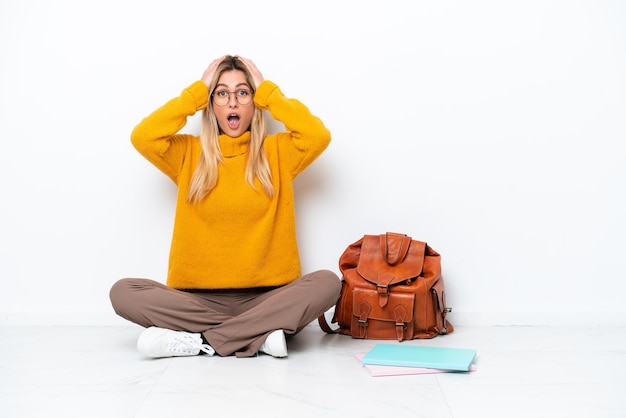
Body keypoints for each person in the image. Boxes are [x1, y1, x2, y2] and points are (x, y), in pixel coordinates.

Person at [109, 55, 341, 359]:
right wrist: (196, 93)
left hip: (268, 299)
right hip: (196, 303)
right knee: (123, 292)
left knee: (327, 283)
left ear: (254, 101)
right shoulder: (188, 154)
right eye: (221, 93)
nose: (232, 103)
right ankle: (259, 335)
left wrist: (267, 91)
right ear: (211, 102)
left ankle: (202, 341)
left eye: (243, 92)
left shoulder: (278, 153)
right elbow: (143, 137)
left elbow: (317, 136)